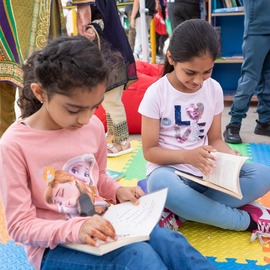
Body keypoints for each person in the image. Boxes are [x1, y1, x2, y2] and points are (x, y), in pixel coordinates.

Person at [0, 35, 217, 270]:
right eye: (74, 109)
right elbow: (20, 227)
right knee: (137, 257)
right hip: (54, 249)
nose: (85, 119)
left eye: (94, 107)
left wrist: (117, 191)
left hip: (104, 225)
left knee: (168, 241)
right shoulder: (14, 144)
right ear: (41, 93)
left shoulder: (92, 126)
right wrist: (76, 229)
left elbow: (99, 177)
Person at [138, 19, 270, 245]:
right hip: (170, 174)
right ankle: (243, 220)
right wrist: (187, 157)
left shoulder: (214, 89)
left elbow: (216, 140)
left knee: (264, 175)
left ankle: (183, 211)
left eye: (207, 71)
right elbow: (150, 152)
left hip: (207, 174)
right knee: (160, 184)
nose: (198, 81)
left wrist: (230, 156)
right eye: (190, 72)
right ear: (171, 59)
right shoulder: (156, 93)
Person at [73, 0, 137, 157]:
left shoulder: (100, 2)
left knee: (112, 100)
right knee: (108, 99)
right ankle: (113, 135)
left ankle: (123, 141)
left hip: (111, 56)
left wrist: (92, 29)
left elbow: (102, 19)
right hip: (110, 55)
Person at [0, 0, 66, 137]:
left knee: (37, 81)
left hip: (35, 8)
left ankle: (36, 147)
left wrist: (84, 3)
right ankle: (6, 153)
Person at [223, 0, 270, 144]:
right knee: (250, 78)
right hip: (257, 27)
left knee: (268, 79)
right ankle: (234, 124)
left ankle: (264, 122)